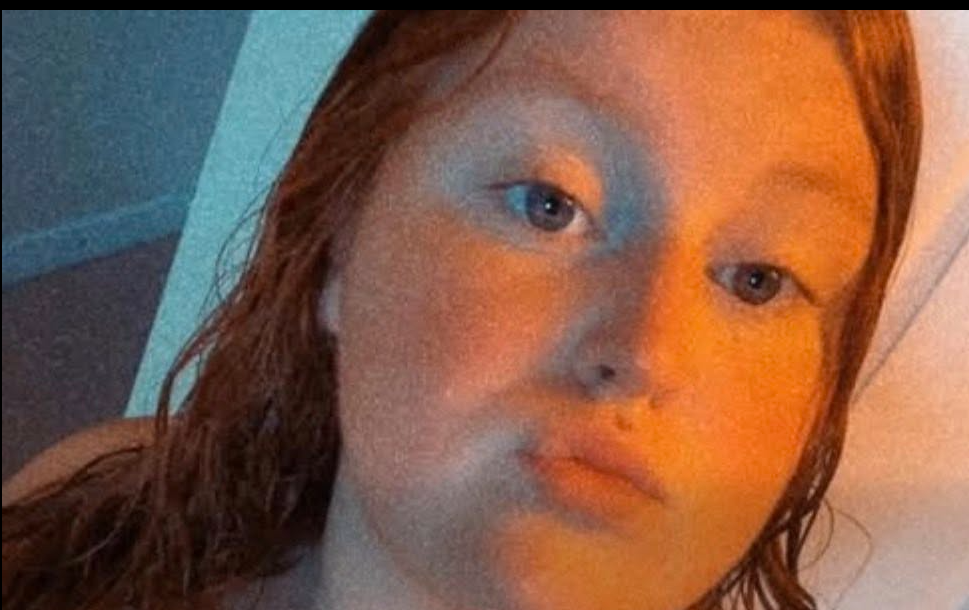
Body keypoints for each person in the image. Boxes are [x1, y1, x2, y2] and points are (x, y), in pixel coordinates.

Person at [2, 10, 922, 610]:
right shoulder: (98, 521)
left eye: (757, 279)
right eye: (549, 204)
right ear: (339, 237)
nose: (646, 349)